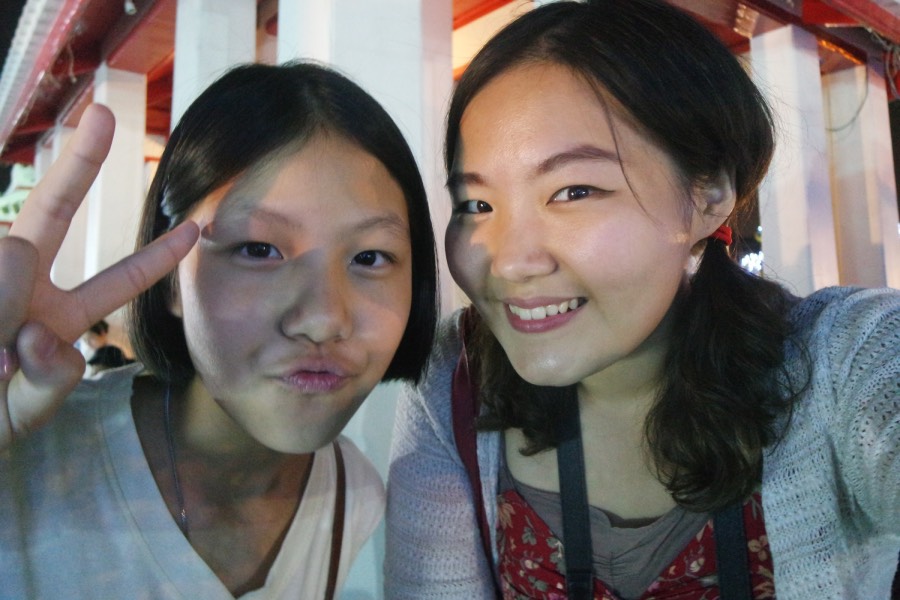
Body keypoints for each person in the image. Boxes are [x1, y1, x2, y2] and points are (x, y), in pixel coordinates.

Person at [384, 1, 899, 599]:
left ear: (709, 196)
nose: (511, 262)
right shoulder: (454, 378)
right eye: (476, 205)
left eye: (574, 191)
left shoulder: (844, 359)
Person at [0, 61, 437, 599]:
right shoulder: (23, 462)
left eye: (370, 257)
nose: (324, 319)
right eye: (258, 249)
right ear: (169, 277)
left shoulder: (358, 499)